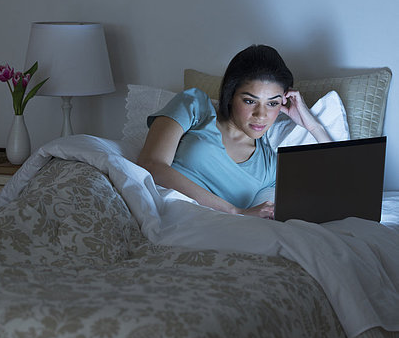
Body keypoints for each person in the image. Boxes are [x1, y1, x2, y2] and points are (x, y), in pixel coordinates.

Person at [137, 45, 331, 219]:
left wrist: (313, 126)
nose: (261, 115)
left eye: (272, 103)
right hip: (150, 206)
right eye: (249, 101)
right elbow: (151, 164)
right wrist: (235, 212)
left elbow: (335, 181)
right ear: (230, 95)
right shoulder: (195, 105)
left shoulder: (270, 167)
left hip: (201, 229)